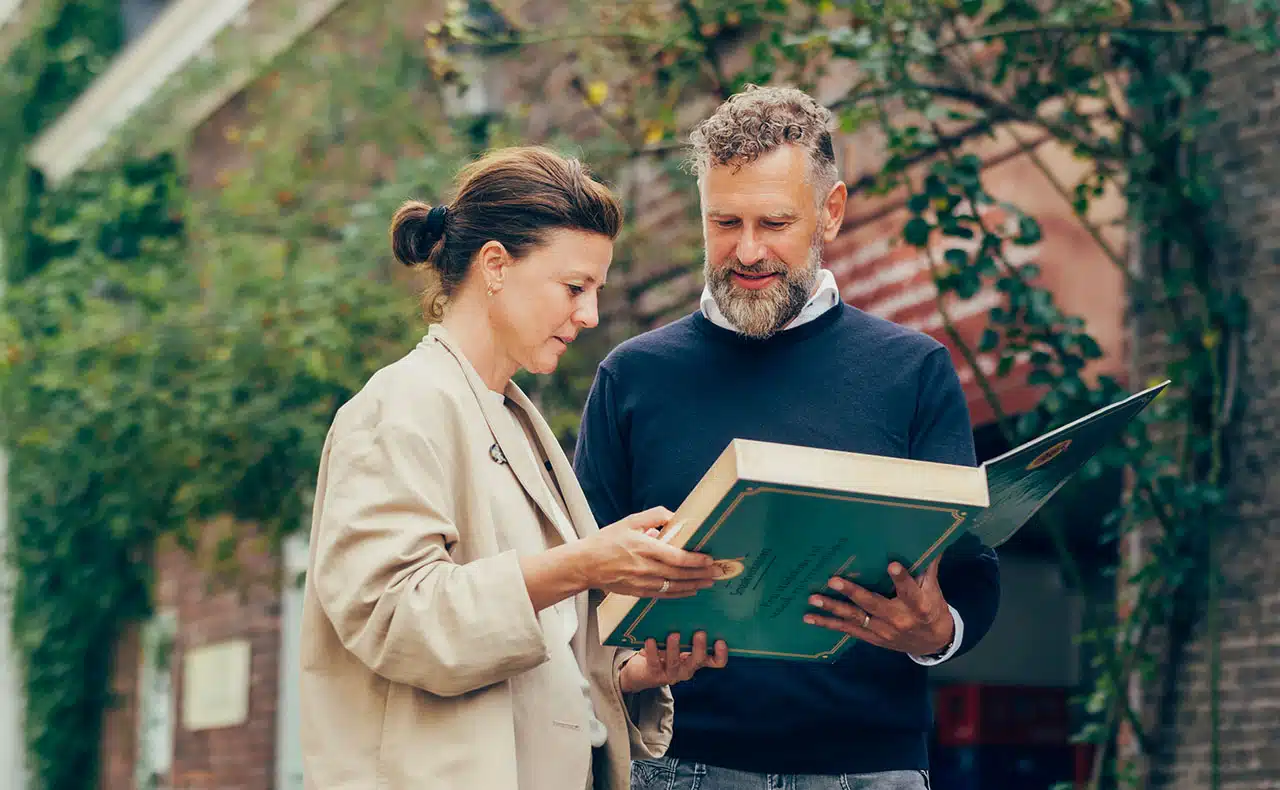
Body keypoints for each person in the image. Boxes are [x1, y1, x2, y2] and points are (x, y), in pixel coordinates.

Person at [573, 87, 1001, 789]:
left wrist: (935, 632)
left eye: (774, 222)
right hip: (681, 765)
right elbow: (582, 582)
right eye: (724, 222)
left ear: (830, 212)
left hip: (869, 766)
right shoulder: (632, 376)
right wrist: (627, 668)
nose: (747, 250)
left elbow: (970, 571)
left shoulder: (912, 369)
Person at [298, 146, 729, 790]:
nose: (589, 315)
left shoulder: (516, 420)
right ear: (494, 265)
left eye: (596, 292)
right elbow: (395, 619)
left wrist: (628, 676)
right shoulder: (401, 406)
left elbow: (531, 650)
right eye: (574, 287)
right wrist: (583, 564)